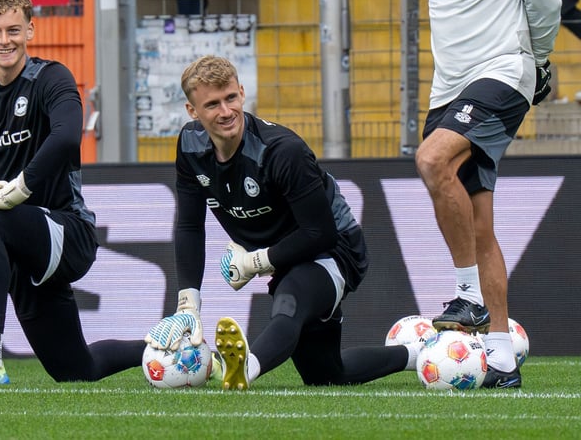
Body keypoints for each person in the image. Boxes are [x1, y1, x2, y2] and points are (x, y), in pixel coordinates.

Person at [370, 0, 562, 389]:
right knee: (480, 224)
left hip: (503, 70)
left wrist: (538, 62)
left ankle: (469, 298)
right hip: (449, 87)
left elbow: (544, 2)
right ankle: (501, 359)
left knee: (431, 160)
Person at [0, 0, 145, 385]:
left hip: (68, 233)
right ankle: (166, 349)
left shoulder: (52, 77)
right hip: (19, 249)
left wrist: (17, 189)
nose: (5, 40)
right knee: (75, 371)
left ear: (31, 31)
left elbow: (68, 137)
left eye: (14, 30)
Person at [144, 55, 414, 390]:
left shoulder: (281, 151)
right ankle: (414, 354)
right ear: (192, 112)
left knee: (289, 301)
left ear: (242, 92)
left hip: (334, 250)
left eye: (231, 98)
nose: (226, 111)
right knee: (327, 375)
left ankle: (244, 369)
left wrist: (255, 261)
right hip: (284, 256)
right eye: (212, 104)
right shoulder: (189, 145)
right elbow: (189, 226)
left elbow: (321, 233)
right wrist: (188, 304)